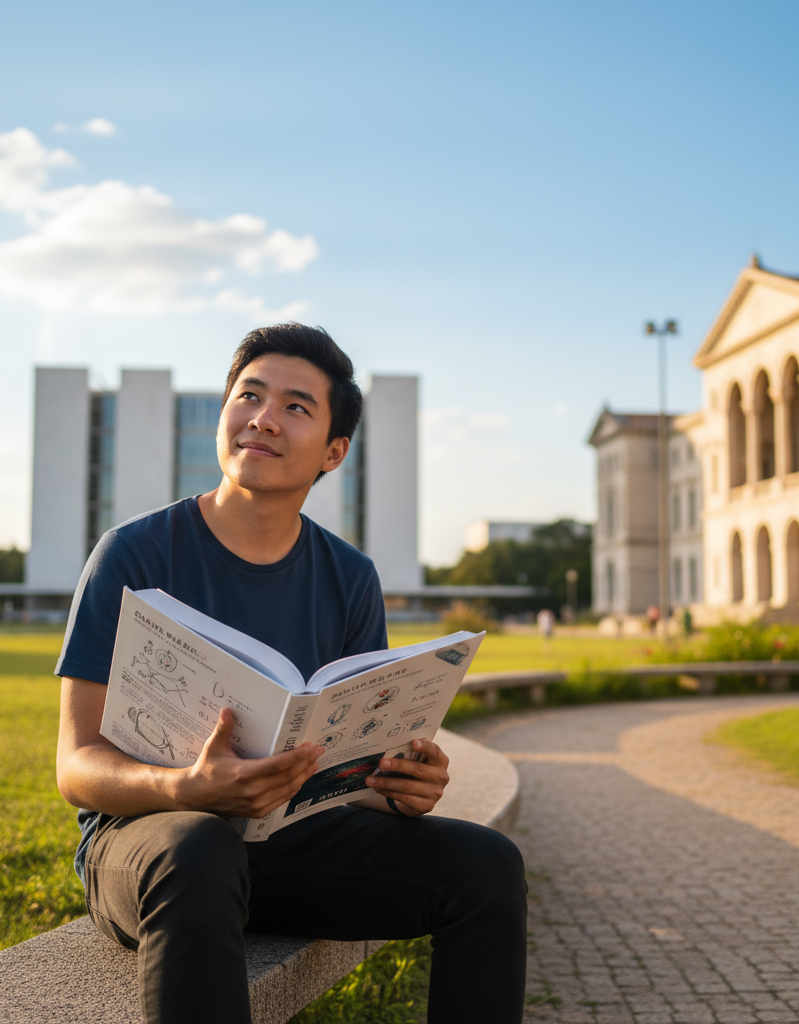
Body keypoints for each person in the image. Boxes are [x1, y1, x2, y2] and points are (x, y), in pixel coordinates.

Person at [55, 324, 527, 1024]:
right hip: (153, 846)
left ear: (334, 452)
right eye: (249, 395)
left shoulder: (350, 576)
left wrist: (398, 785)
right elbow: (76, 766)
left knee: (487, 866)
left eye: (297, 407)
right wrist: (184, 787)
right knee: (200, 843)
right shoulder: (131, 554)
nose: (263, 418)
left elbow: (345, 766)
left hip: (288, 848)